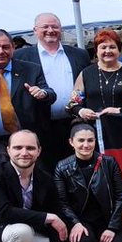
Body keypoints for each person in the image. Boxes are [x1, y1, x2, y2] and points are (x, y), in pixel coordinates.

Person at [14, 12, 92, 168]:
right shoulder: (20, 56)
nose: (50, 30)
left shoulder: (79, 54)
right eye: (45, 26)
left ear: (60, 29)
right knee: (45, 172)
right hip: (40, 126)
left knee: (77, 168)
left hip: (74, 123)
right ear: (35, 30)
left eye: (54, 26)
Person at [53, 124, 122, 242]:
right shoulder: (61, 167)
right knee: (82, 241)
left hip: (107, 220)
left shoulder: (109, 162)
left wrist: (112, 227)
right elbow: (62, 203)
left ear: (95, 141)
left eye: (90, 140)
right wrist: (75, 223)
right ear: (71, 142)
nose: (86, 145)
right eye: (81, 140)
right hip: (82, 222)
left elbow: (120, 196)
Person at [0, 29, 54, 150]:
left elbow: (50, 93)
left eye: (5, 47)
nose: (1, 52)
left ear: (13, 47)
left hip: (24, 140)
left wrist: (42, 93)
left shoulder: (31, 69)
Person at [66, 30, 122, 121]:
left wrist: (119, 111)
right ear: (96, 51)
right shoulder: (85, 73)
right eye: (103, 47)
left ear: (119, 50)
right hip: (93, 130)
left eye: (112, 47)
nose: (108, 51)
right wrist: (82, 111)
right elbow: (71, 105)